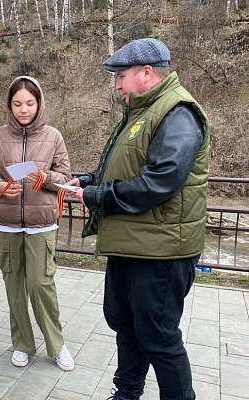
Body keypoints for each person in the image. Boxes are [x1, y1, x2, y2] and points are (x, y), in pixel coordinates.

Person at [65, 38, 210, 400]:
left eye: (121, 76)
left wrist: (98, 197)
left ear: (147, 73)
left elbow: (160, 180)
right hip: (134, 247)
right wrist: (88, 181)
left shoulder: (177, 112)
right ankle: (127, 393)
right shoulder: (143, 112)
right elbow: (127, 168)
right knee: (127, 328)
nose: (116, 85)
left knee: (159, 338)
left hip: (160, 253)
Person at [0, 76, 75, 371]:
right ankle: (22, 343)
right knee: (15, 288)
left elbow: (66, 177)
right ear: (9, 106)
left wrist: (46, 179)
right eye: (17, 103)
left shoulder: (54, 136)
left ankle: (56, 345)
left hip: (41, 225)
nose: (24, 109)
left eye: (30, 103)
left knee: (40, 284)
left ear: (39, 104)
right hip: (8, 225)